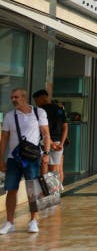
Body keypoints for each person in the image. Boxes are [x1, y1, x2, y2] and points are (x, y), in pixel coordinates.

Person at [0, 88, 51, 235]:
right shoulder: (10, 116)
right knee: (11, 190)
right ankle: (9, 222)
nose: (13, 100)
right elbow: (4, 140)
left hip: (32, 158)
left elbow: (46, 134)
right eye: (12, 97)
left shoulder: (39, 113)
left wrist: (46, 153)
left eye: (16, 97)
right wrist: (1, 159)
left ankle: (33, 220)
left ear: (24, 97)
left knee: (32, 190)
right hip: (13, 158)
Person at [32, 90, 68, 185]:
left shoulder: (40, 111)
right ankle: (55, 194)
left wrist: (50, 143)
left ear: (42, 98)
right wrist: (61, 143)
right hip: (58, 143)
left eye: (36, 100)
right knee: (57, 169)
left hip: (44, 142)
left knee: (45, 168)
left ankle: (47, 194)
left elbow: (43, 130)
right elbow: (65, 127)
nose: (36, 103)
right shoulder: (60, 109)